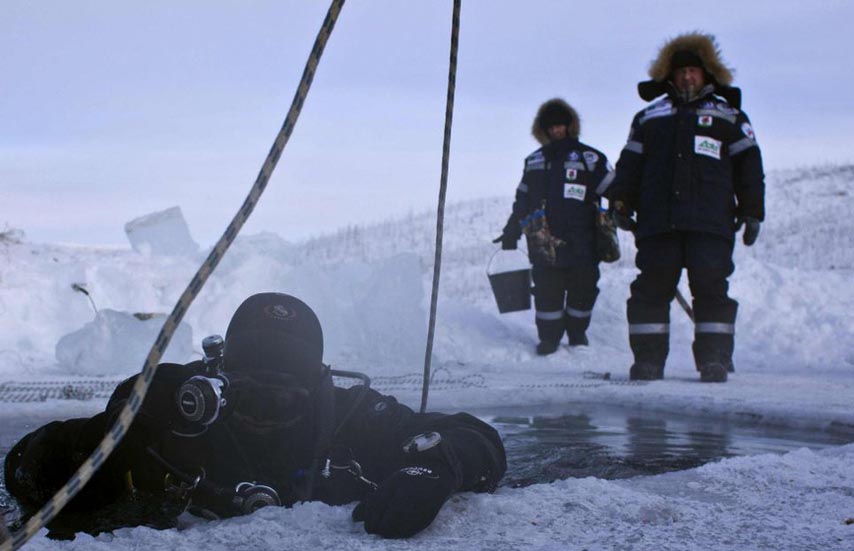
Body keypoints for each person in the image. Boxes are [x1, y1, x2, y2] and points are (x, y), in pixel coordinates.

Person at [4, 293, 506, 540]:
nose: (265, 409)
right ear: (218, 376)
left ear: (316, 386)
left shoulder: (347, 414)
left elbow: (476, 438)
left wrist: (435, 464)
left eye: (284, 395)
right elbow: (24, 469)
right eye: (249, 392)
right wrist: (111, 438)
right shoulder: (180, 407)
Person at [602, 32, 765, 383]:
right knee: (650, 290)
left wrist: (753, 210)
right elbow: (629, 165)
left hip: (711, 221)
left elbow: (750, 167)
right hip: (658, 222)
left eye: (694, 70)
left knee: (711, 289)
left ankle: (714, 360)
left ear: (707, 75)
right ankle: (648, 362)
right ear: (669, 76)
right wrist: (619, 201)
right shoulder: (649, 117)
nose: (687, 77)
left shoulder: (729, 115)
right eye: (681, 72)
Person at [495, 98, 613, 355]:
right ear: (543, 130)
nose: (557, 131)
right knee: (547, 293)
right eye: (552, 127)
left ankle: (577, 334)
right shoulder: (534, 161)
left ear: (570, 127)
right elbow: (522, 201)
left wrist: (625, 211)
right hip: (543, 243)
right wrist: (511, 230)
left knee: (583, 289)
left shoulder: (590, 158)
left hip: (584, 240)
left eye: (561, 126)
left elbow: (614, 190)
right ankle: (548, 339)